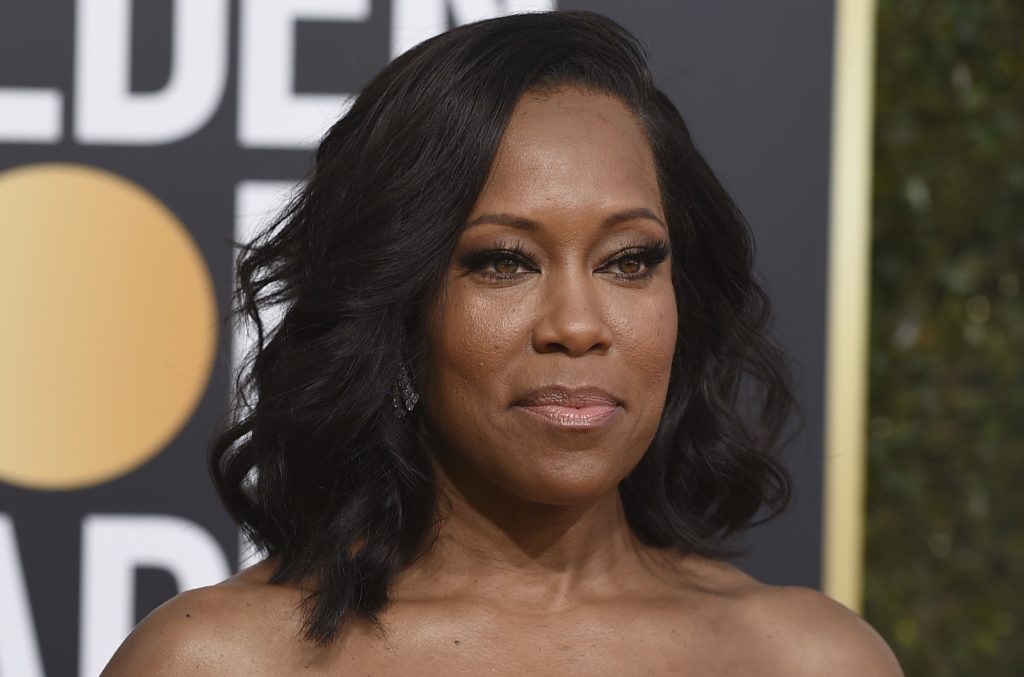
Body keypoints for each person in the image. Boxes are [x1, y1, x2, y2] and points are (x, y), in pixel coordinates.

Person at [103, 10, 902, 676]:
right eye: (503, 262)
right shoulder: (217, 660)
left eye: (628, 261)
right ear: (396, 306)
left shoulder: (810, 658)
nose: (577, 325)